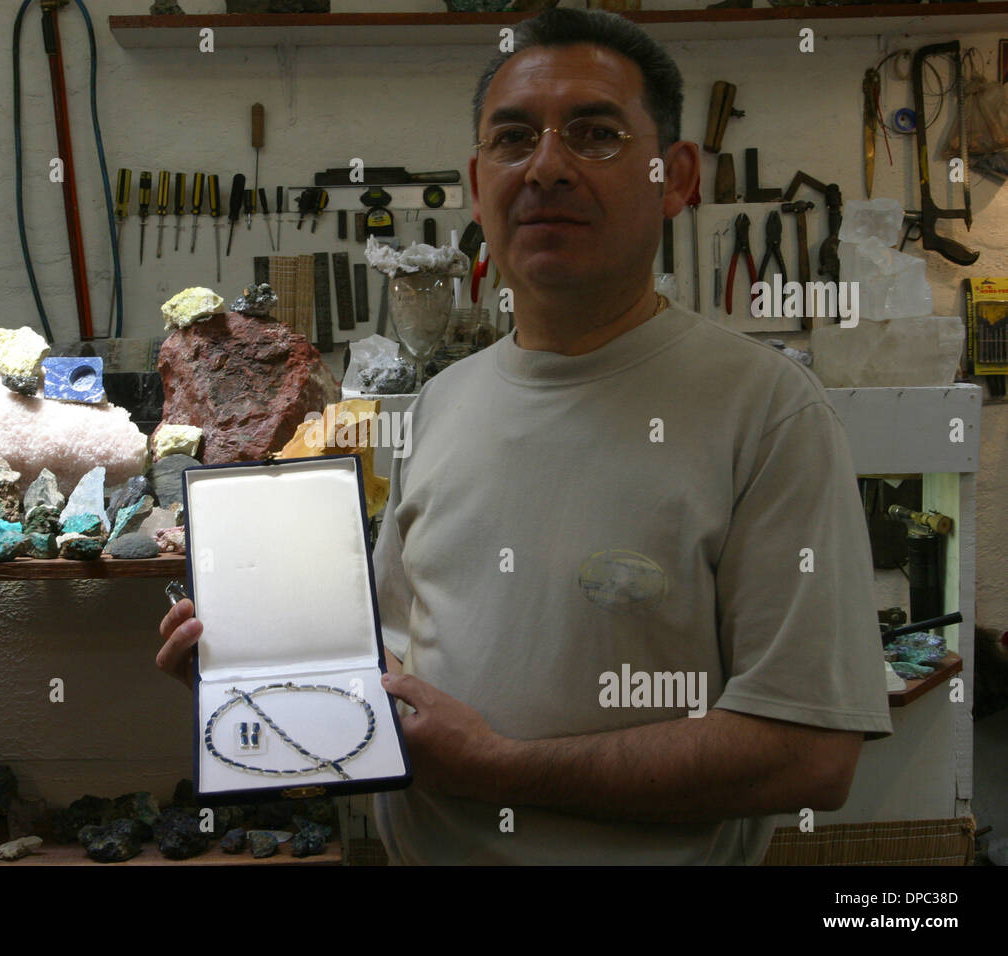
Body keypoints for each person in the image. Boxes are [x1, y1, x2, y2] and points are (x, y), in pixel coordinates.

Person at [158, 8, 892, 864]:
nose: (547, 166)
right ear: (478, 184)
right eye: (514, 139)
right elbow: (389, 681)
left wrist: (504, 771)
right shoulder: (442, 403)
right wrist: (255, 685)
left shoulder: (771, 412)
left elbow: (809, 754)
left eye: (596, 133)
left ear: (678, 176)